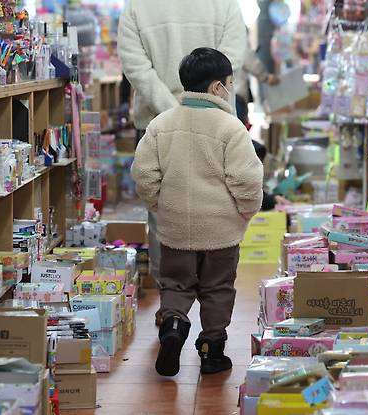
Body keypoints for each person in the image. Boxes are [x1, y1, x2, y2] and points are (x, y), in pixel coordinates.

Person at [131, 48, 263, 377]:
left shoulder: (160, 125)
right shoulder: (231, 129)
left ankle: (173, 325)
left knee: (175, 285)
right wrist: (244, 214)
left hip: (175, 228)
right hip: (221, 231)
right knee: (217, 288)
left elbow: (144, 175)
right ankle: (211, 351)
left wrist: (160, 206)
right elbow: (247, 182)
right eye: (230, 83)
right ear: (217, 87)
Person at [118, 0, 247, 325]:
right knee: (221, 199)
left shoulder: (137, 7)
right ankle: (214, 322)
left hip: (156, 123)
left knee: (164, 215)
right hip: (218, 120)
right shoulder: (225, 5)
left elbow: (134, 65)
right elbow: (232, 55)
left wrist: (169, 110)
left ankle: (172, 311)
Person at [235, 38, 280, 127]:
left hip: (220, 97)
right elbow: (251, 61)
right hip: (236, 96)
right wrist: (266, 77)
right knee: (237, 132)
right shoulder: (237, 42)